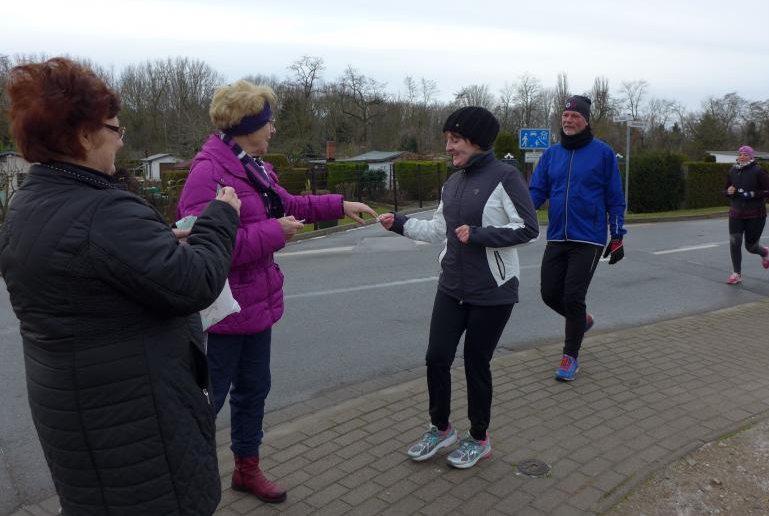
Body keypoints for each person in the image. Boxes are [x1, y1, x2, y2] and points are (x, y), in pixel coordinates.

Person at [0, 57, 241, 516]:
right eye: (115, 129)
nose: (121, 140)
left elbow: (91, 269)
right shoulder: (104, 212)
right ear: (84, 134)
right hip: (137, 427)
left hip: (80, 415)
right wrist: (221, 216)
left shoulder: (27, 203)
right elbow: (195, 282)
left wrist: (155, 242)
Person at [177, 79, 377, 503]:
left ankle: (246, 470)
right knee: (204, 406)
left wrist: (339, 205)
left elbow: (290, 205)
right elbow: (202, 245)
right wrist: (273, 233)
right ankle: (184, 485)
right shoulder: (208, 173)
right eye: (267, 122)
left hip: (257, 308)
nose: (273, 129)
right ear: (246, 125)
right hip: (222, 315)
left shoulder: (254, 166)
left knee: (254, 392)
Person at [378, 106, 539, 469]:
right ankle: (441, 428)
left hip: (493, 290)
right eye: (447, 140)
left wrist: (480, 235)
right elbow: (439, 230)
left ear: (477, 140)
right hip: (452, 285)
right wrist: (399, 223)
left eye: (455, 140)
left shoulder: (505, 177)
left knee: (475, 363)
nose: (448, 147)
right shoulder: (452, 183)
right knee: (436, 358)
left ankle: (479, 438)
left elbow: (528, 228)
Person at [529, 95, 626, 382]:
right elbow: (536, 191)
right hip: (557, 235)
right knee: (549, 293)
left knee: (573, 296)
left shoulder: (603, 153)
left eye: (575, 116)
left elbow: (615, 197)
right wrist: (517, 213)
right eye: (565, 115)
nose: (569, 120)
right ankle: (581, 320)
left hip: (589, 237)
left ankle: (570, 356)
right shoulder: (552, 154)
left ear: (585, 121)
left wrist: (617, 235)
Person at [724, 145, 769, 285]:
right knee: (735, 242)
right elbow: (726, 190)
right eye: (740, 154)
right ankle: (737, 274)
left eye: (745, 154)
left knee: (751, 247)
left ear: (751, 156)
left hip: (756, 215)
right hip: (736, 213)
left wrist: (751, 194)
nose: (742, 156)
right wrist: (728, 192)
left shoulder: (758, 171)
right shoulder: (732, 171)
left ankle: (764, 253)